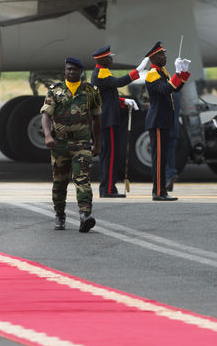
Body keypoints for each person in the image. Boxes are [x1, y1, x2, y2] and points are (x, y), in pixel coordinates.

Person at [41, 57, 102, 231]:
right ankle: (60, 214)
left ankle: (85, 215)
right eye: (68, 69)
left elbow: (97, 119)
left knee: (82, 178)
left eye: (74, 70)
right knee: (59, 182)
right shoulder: (55, 90)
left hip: (81, 142)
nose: (70, 72)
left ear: (81, 72)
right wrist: (47, 135)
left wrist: (97, 144)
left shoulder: (91, 91)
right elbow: (45, 115)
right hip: (60, 143)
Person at [90, 45, 148, 198]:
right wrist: (138, 71)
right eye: (109, 57)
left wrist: (123, 101)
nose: (111, 59)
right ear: (102, 60)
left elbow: (107, 96)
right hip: (108, 120)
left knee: (108, 155)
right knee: (110, 155)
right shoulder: (101, 73)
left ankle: (109, 187)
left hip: (106, 118)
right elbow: (119, 82)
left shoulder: (101, 72)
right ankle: (108, 189)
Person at [144, 42, 190, 200]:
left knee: (162, 158)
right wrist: (177, 73)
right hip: (157, 120)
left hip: (164, 120)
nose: (165, 57)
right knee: (158, 159)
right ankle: (158, 192)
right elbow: (165, 89)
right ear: (154, 58)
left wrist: (183, 73)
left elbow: (175, 89)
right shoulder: (152, 74)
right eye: (162, 55)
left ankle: (162, 190)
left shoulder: (162, 72)